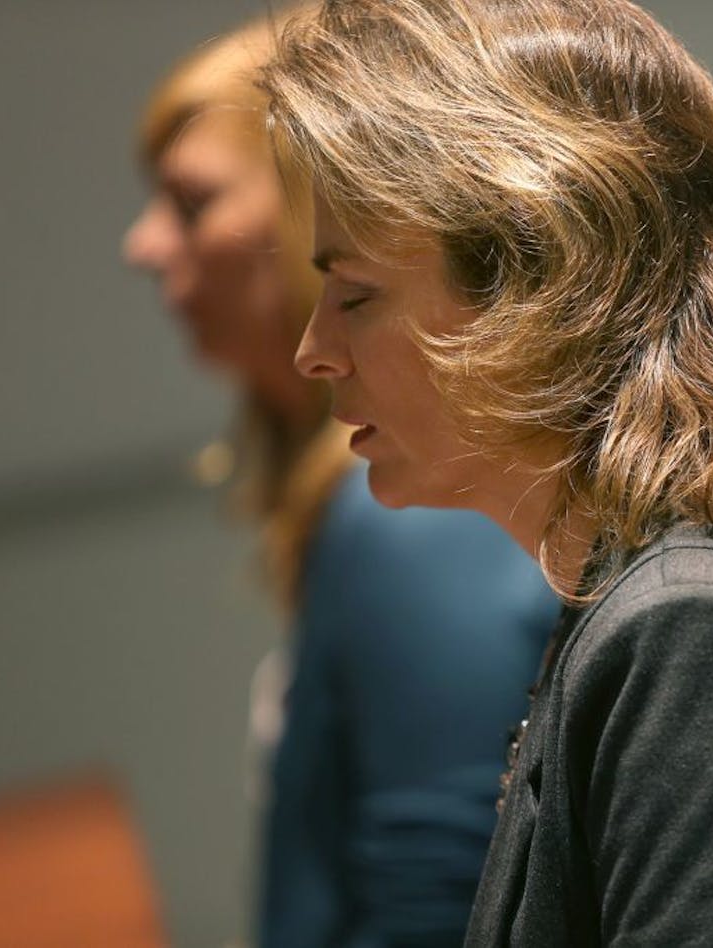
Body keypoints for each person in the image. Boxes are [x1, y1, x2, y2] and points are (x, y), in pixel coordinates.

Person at [259, 1, 713, 944]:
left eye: (356, 295)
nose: (313, 350)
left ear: (536, 280)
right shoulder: (666, 587)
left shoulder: (707, 624)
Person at [123, 14, 559, 946]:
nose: (145, 246)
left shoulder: (410, 515)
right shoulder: (379, 502)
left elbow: (440, 897)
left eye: (193, 203)